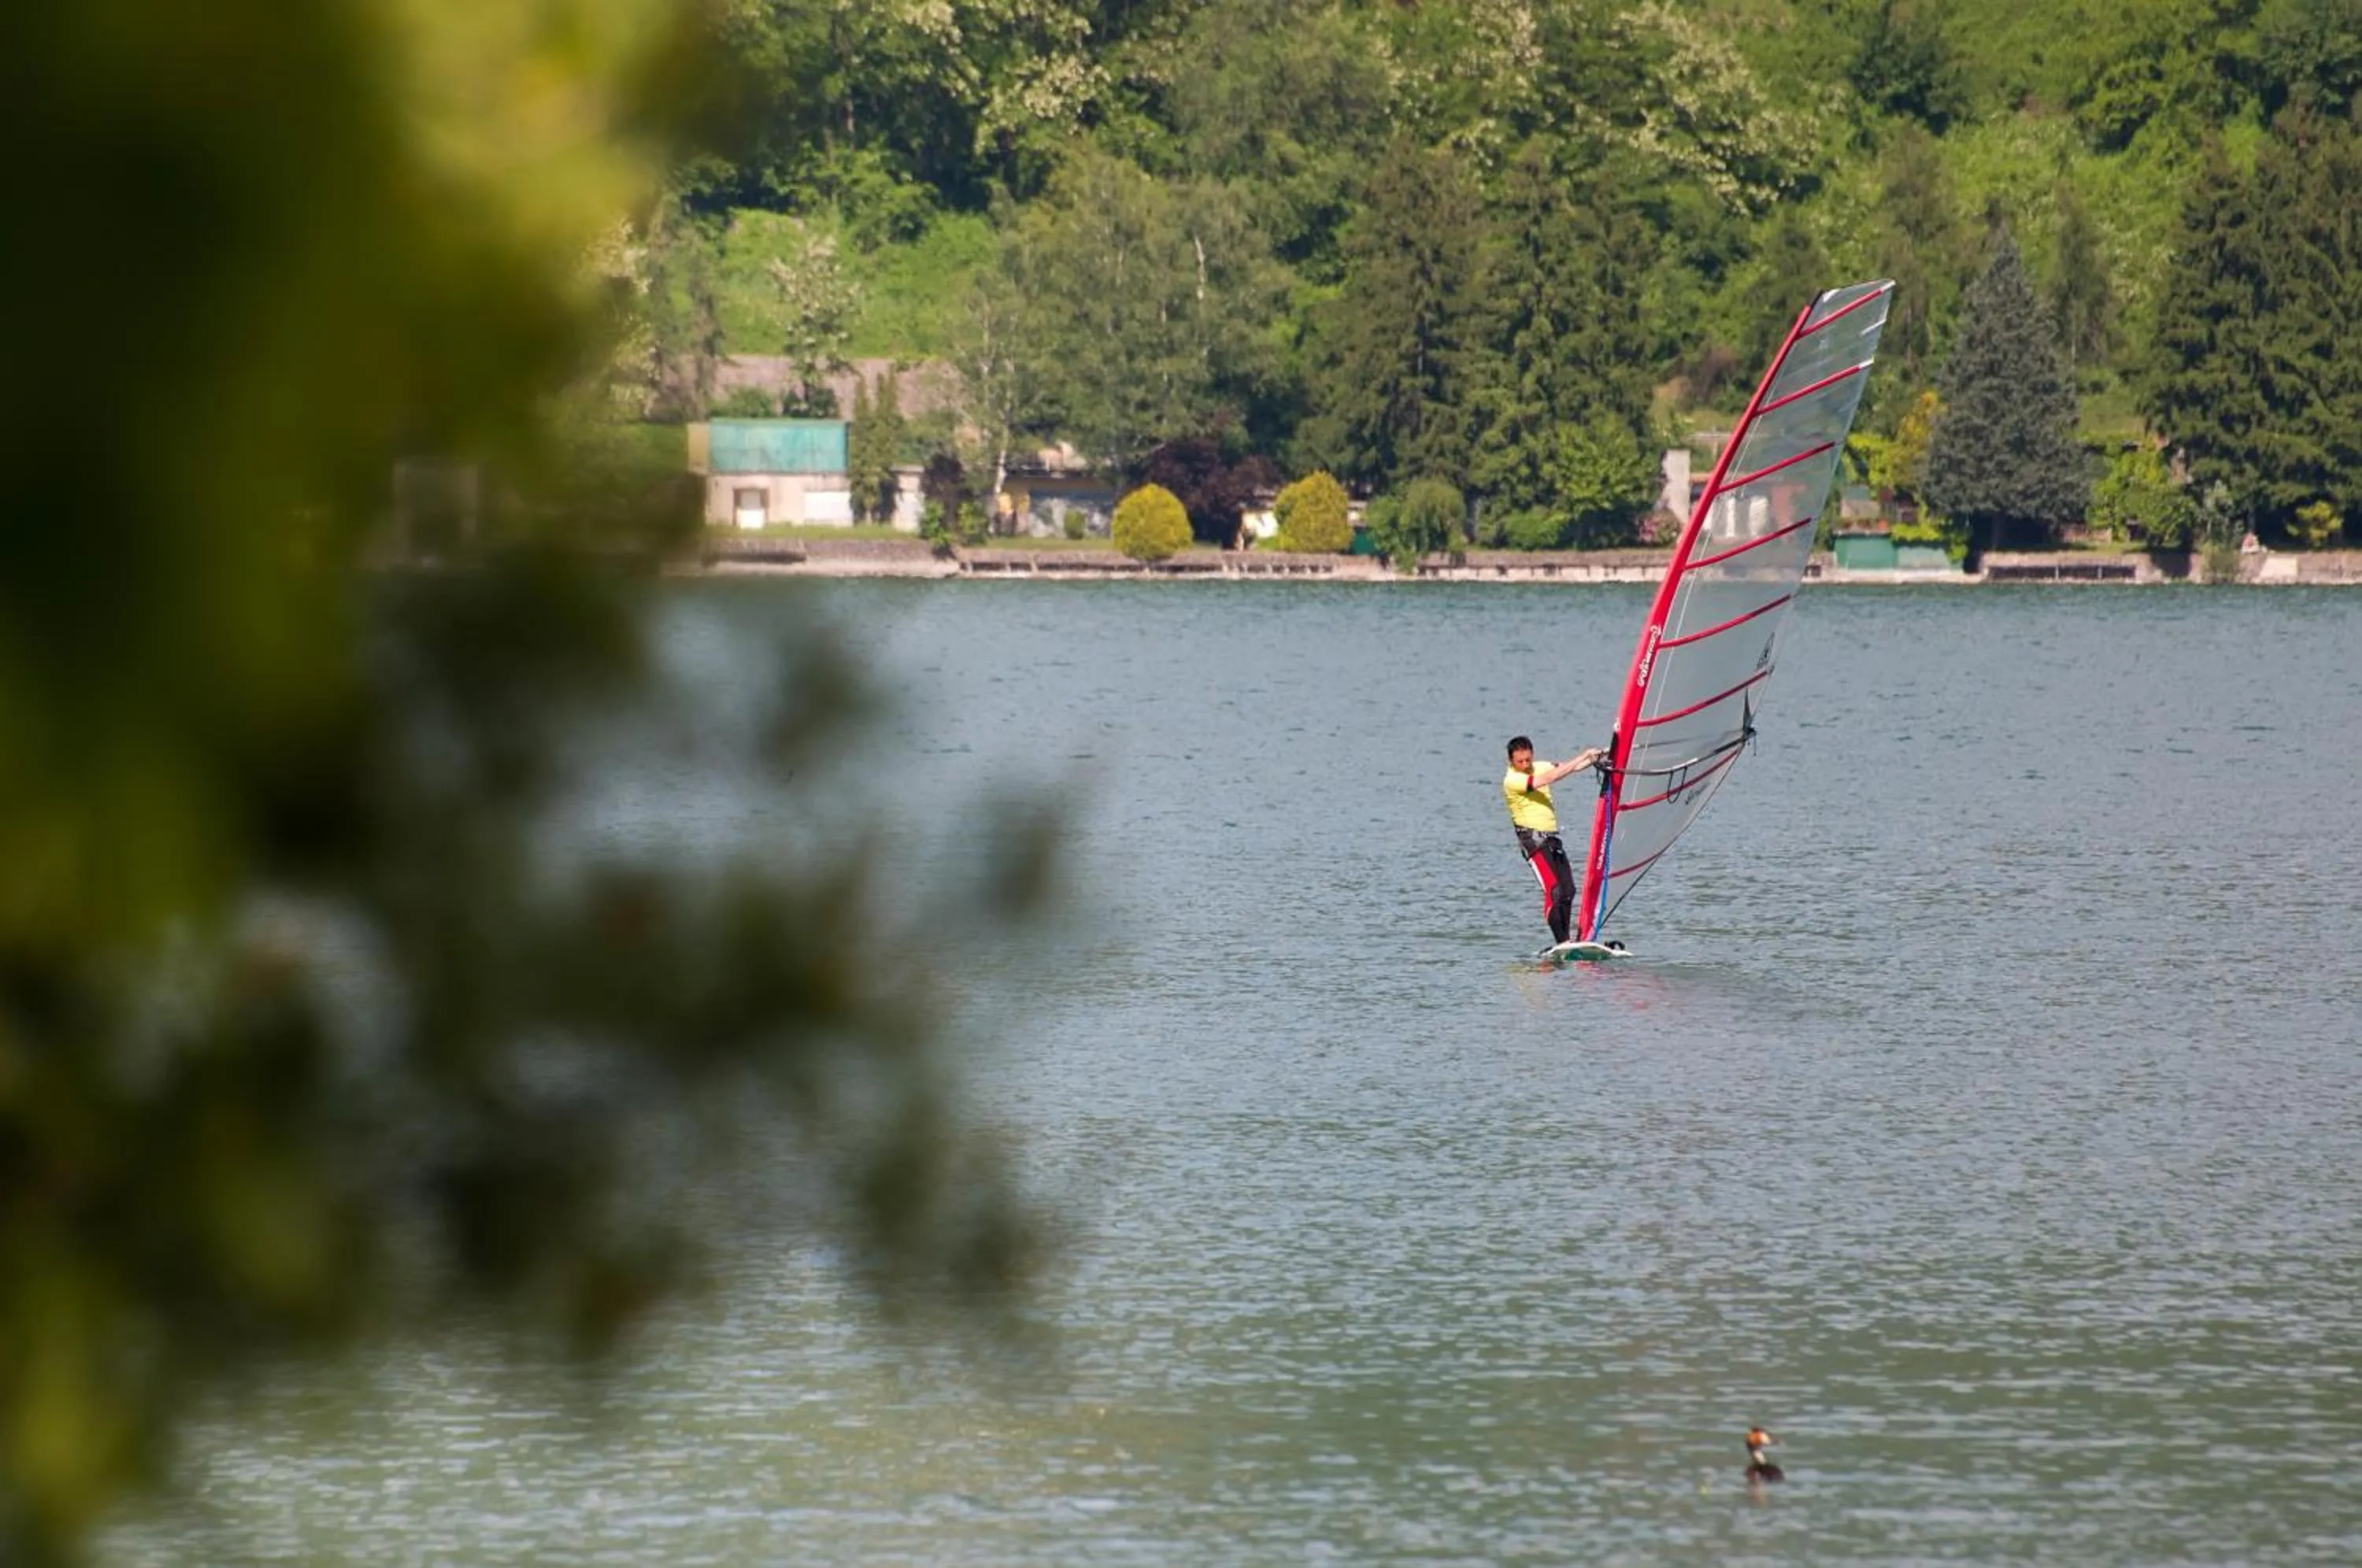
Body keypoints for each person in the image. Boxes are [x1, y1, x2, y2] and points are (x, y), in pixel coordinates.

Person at [1503, 735, 1607, 945]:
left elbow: (1571, 767)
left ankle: (1567, 940)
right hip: (1532, 842)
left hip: (1552, 839)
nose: (1524, 765)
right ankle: (1562, 942)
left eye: (1527, 760)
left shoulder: (1538, 767)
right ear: (1511, 762)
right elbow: (1550, 778)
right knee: (1554, 889)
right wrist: (1583, 755)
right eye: (1519, 762)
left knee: (1568, 890)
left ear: (1532, 755)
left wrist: (1599, 756)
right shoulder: (1513, 780)